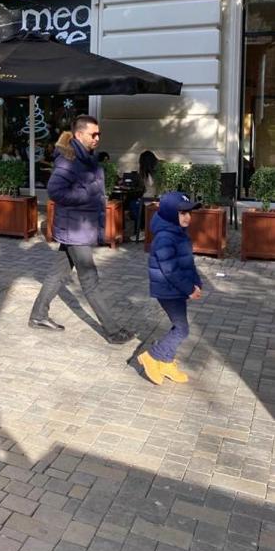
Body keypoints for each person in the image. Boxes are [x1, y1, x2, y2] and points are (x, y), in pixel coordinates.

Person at [28, 115, 134, 344]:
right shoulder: (69, 160)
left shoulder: (86, 158)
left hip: (79, 226)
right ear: (79, 135)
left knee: (58, 274)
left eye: (99, 134)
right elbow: (55, 191)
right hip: (75, 228)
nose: (98, 138)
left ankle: (38, 316)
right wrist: (86, 196)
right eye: (93, 134)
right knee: (90, 280)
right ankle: (113, 331)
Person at [138, 191, 202, 384]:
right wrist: (188, 289)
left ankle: (165, 362)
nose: (188, 217)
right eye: (182, 213)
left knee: (180, 326)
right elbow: (171, 270)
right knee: (182, 329)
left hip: (176, 289)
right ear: (169, 214)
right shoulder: (166, 237)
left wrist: (196, 282)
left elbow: (187, 263)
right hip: (168, 290)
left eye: (189, 213)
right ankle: (152, 356)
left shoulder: (177, 231)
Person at [129, 150, 159, 237]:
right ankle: (141, 229)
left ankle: (141, 229)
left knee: (133, 204)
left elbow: (150, 186)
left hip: (149, 199)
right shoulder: (156, 171)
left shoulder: (148, 174)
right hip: (153, 198)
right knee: (134, 203)